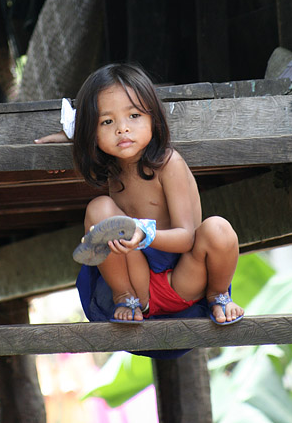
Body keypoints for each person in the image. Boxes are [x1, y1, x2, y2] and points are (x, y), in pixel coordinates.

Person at [37, 63, 244, 328]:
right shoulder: (112, 164)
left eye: (134, 116)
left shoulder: (168, 164)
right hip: (138, 282)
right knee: (99, 208)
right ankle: (124, 296)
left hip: (183, 279)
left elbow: (187, 238)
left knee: (219, 229)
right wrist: (70, 139)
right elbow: (93, 135)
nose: (122, 129)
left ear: (153, 118)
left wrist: (144, 233)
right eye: (107, 122)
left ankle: (218, 295)